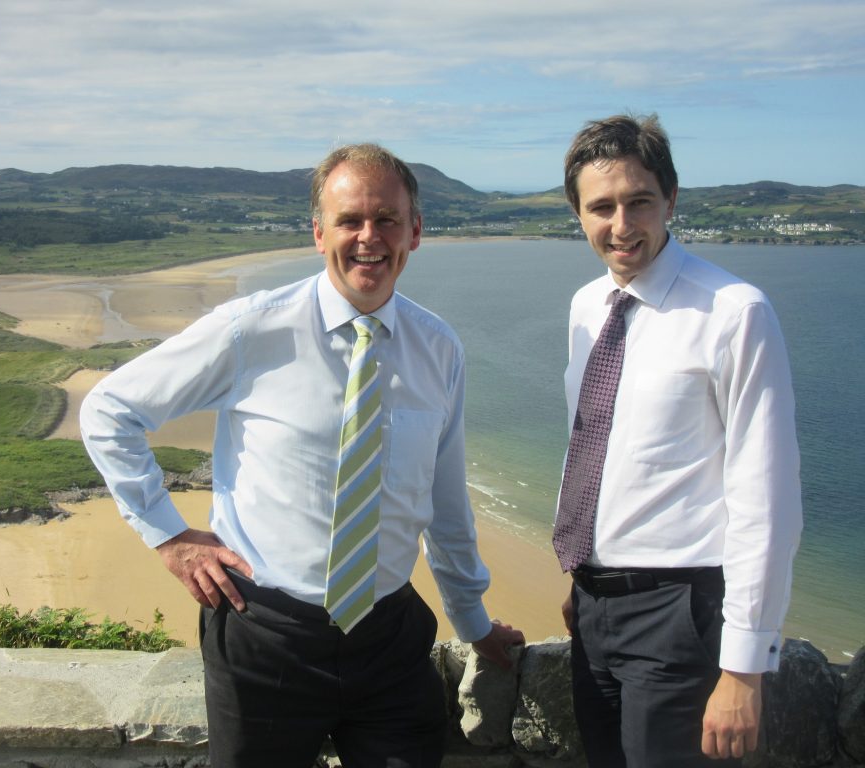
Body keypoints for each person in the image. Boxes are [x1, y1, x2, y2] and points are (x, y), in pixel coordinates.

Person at [80, 142, 524, 768]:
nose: (369, 237)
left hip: (390, 640)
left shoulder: (438, 348)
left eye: (387, 219)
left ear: (415, 232)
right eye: (350, 220)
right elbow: (109, 410)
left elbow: (445, 502)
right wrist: (170, 537)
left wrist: (473, 622)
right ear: (319, 233)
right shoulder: (250, 330)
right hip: (265, 638)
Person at [552, 114, 802, 766]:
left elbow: (767, 497)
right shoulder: (586, 308)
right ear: (578, 214)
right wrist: (582, 573)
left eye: (639, 201)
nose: (621, 225)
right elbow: (594, 447)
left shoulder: (734, 312)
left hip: (679, 615)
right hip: (592, 608)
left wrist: (743, 669)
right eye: (601, 207)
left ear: (671, 198)